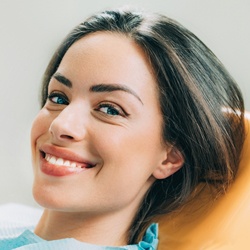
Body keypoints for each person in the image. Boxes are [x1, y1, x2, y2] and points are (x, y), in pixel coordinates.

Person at [0, 7, 245, 249]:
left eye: (109, 109)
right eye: (58, 98)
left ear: (170, 156)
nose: (61, 124)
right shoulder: (11, 217)